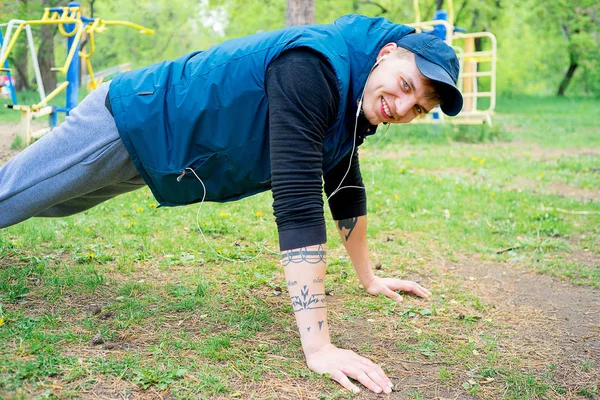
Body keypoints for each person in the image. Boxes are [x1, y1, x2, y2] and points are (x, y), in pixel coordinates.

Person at [0, 14, 462, 394]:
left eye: (419, 108)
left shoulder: (355, 93)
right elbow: (298, 204)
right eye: (405, 86)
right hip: (131, 121)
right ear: (386, 55)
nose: (403, 108)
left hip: (159, 157)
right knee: (13, 196)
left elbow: (343, 181)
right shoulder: (314, 67)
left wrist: (369, 277)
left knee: (51, 204)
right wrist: (320, 350)